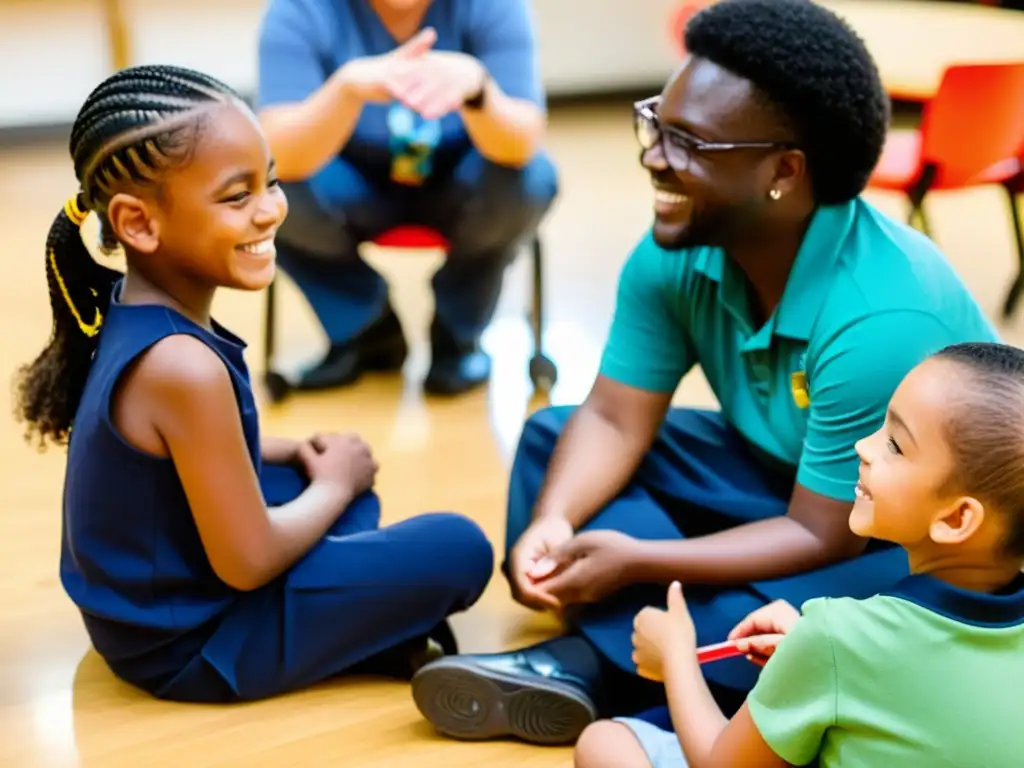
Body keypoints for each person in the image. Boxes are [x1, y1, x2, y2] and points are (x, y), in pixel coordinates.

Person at [409, 0, 1001, 745]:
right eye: (658, 122)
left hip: (901, 535)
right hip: (783, 481)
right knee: (551, 440)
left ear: (784, 172)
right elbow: (615, 416)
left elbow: (822, 536)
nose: (653, 155)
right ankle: (674, 661)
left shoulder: (880, 316)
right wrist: (558, 523)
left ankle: (586, 666)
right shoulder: (677, 248)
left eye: (690, 143)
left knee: (848, 617)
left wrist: (636, 561)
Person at [13, 64, 494, 703]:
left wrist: (294, 456)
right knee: (457, 547)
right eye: (237, 196)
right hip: (187, 649)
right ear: (138, 224)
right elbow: (246, 561)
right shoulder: (182, 366)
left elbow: (165, 458)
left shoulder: (129, 308)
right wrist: (333, 481)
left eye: (269, 181)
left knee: (324, 488)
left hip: (146, 615)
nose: (271, 210)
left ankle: (369, 623)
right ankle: (373, 631)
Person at [575, 341, 1024, 768]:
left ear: (955, 519)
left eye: (895, 444)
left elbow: (719, 762)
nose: (862, 447)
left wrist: (675, 655)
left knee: (605, 741)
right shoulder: (838, 643)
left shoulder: (835, 636)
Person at [256, 0, 558, 396]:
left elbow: (523, 143)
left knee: (530, 180)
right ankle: (365, 326)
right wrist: (345, 89)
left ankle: (457, 331)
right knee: (262, 190)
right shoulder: (299, 10)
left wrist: (479, 89)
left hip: (462, 178)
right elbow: (277, 149)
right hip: (350, 176)